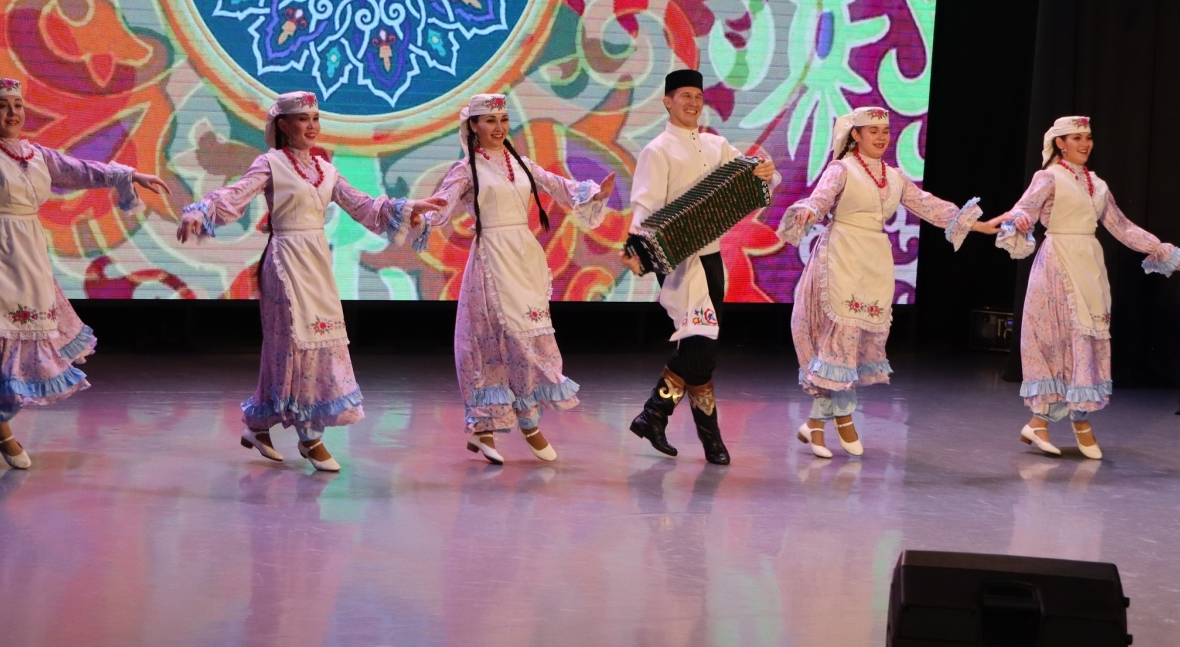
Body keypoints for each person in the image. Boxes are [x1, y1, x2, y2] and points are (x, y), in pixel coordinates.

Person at [178, 91, 443, 472]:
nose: (312, 125)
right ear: (283, 125)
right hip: (286, 259)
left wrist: (405, 210)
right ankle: (309, 436)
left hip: (317, 260)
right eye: (303, 118)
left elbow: (363, 206)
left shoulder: (324, 169)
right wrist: (202, 210)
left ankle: (258, 424)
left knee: (311, 342)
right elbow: (236, 193)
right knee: (296, 344)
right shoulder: (271, 163)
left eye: (315, 118)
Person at [0, 78, 169, 469]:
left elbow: (81, 170)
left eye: (17, 105)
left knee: (26, 339)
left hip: (27, 253)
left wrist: (130, 176)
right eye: (2, 106)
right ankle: (2, 431)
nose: (12, 113)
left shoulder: (36, 154)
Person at [778, 106, 993, 458]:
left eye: (885, 131)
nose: (881, 137)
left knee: (851, 342)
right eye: (872, 131)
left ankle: (816, 425)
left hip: (874, 260)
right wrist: (808, 211)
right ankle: (844, 419)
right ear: (856, 135)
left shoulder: (894, 177)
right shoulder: (841, 169)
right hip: (841, 255)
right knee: (841, 337)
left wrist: (977, 224)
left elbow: (928, 205)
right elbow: (820, 199)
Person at [415, 93, 614, 464]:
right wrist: (419, 216)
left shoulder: (520, 163)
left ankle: (520, 419)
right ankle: (502, 425)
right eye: (490, 121)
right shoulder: (467, 168)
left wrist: (591, 193)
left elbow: (557, 185)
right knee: (492, 342)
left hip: (524, 256)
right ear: (473, 125)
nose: (499, 127)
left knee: (531, 337)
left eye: (503, 119)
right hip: (492, 257)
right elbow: (441, 204)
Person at [990, 116, 1180, 458]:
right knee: (1058, 341)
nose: (1085, 144)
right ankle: (1052, 422)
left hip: (1089, 265)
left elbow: (1123, 227)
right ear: (1060, 143)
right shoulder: (1049, 176)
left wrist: (1171, 257)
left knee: (1086, 342)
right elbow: (1023, 210)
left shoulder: (1097, 184)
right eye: (1077, 138)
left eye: (1088, 137)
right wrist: (1018, 221)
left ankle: (1065, 420)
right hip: (1058, 263)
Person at [622, 68, 778, 465]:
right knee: (701, 346)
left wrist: (765, 171)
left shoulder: (715, 144)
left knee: (700, 350)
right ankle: (679, 424)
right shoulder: (657, 149)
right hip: (677, 260)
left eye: (697, 96)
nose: (693, 103)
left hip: (711, 257)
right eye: (684, 96)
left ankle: (669, 423)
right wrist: (635, 249)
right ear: (667, 101)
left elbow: (756, 175)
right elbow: (644, 206)